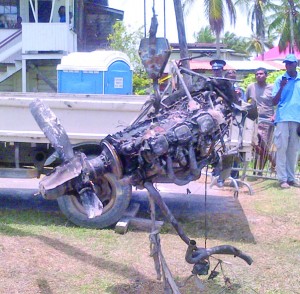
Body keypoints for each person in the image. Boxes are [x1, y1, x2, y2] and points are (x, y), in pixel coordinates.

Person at [272, 54, 300, 188]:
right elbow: (274, 101)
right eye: (286, 63)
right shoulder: (279, 80)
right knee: (282, 148)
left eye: (290, 63)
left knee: (293, 150)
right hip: (283, 117)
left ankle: (291, 178)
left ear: (296, 64)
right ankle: (282, 179)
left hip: (297, 119)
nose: (287, 65)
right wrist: (282, 86)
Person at [246, 67, 275, 173]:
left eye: (261, 74)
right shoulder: (250, 87)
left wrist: (275, 115)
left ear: (266, 75)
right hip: (254, 119)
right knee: (254, 144)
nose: (259, 76)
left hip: (267, 120)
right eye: (257, 74)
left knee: (265, 145)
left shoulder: (272, 87)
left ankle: (259, 171)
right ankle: (274, 163)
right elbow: (245, 102)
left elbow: (279, 102)